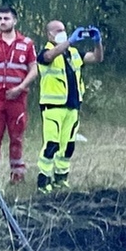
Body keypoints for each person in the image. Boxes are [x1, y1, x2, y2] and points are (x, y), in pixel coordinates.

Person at [35, 20, 103, 193]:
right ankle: (43, 181)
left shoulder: (73, 53)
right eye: (58, 30)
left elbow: (97, 58)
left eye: (64, 30)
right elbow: (49, 57)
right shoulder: (45, 52)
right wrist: (70, 41)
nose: (62, 33)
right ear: (49, 34)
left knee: (68, 146)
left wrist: (98, 42)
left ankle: (61, 178)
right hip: (53, 107)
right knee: (52, 144)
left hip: (72, 106)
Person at [0, 5, 38, 185]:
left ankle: (17, 177)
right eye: (0, 19)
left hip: (17, 97)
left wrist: (21, 87)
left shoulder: (26, 44)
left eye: (6, 18)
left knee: (17, 137)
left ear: (15, 21)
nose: (2, 22)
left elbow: (34, 70)